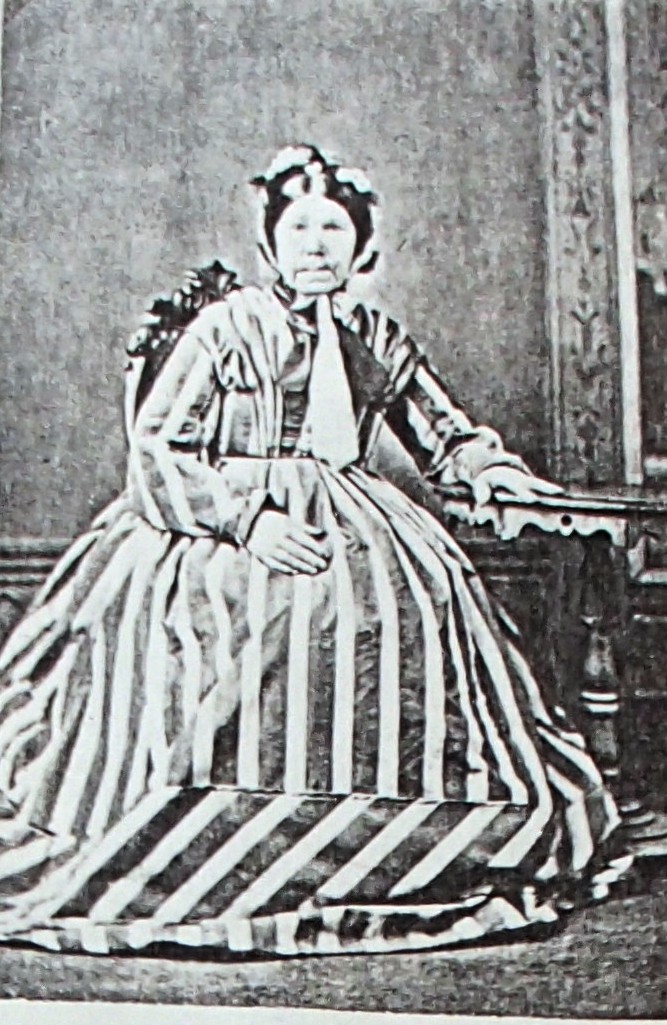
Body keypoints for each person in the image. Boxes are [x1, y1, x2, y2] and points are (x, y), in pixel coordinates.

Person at [0, 145, 630, 957]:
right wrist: (247, 520)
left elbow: (444, 436)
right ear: (270, 242)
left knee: (404, 614)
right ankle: (220, 843)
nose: (315, 245)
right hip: (220, 528)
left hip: (360, 521)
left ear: (361, 245)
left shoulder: (372, 335)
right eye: (298, 227)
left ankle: (386, 844)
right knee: (251, 630)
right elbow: (158, 448)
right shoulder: (226, 328)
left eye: (334, 228)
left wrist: (492, 471)